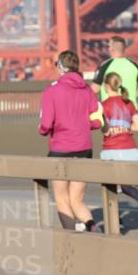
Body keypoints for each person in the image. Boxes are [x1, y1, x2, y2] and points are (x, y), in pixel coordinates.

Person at [38, 50, 102, 232]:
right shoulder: (87, 90)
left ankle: (71, 237)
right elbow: (97, 121)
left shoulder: (52, 91)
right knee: (77, 200)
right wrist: (81, 125)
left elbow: (46, 124)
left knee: (62, 198)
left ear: (60, 67)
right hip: (84, 149)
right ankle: (92, 227)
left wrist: (42, 130)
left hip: (60, 149)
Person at [99, 72, 138, 227]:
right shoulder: (129, 103)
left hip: (112, 150)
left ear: (106, 86)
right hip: (131, 149)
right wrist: (124, 127)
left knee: (110, 186)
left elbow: (105, 131)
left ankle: (115, 220)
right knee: (124, 185)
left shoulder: (103, 105)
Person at [91, 35, 138, 106]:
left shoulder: (104, 66)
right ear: (124, 49)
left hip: (110, 110)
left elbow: (94, 89)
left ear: (111, 49)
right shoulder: (133, 65)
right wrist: (133, 97)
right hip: (130, 109)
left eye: (108, 46)